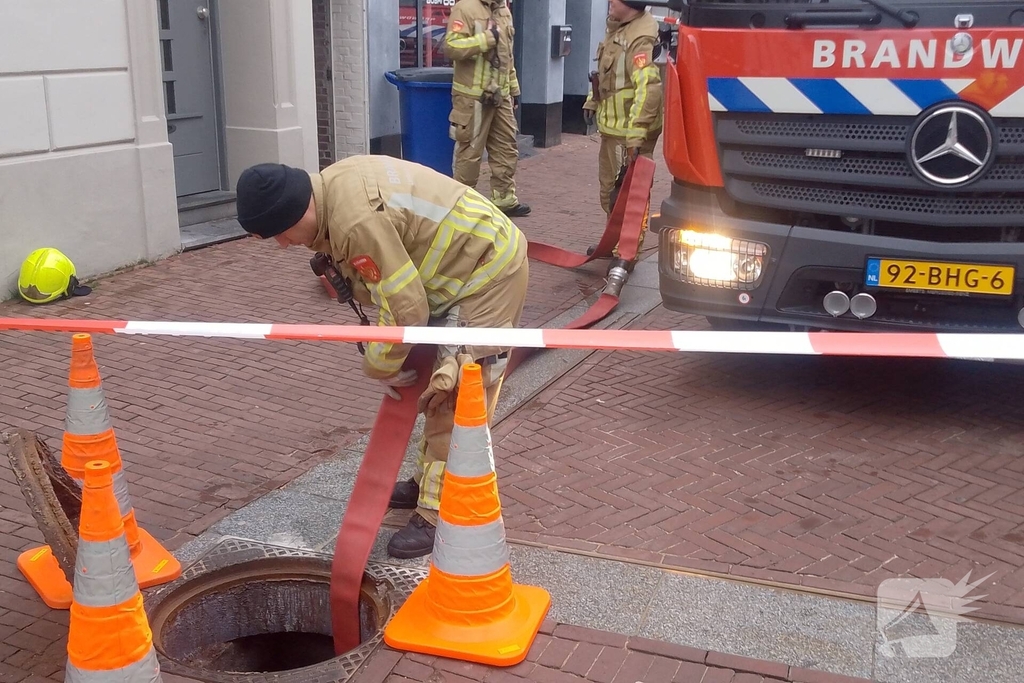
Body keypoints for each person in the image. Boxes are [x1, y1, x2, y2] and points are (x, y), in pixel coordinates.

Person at [234, 155, 529, 558]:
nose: (284, 244)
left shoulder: (354, 222)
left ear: (297, 209)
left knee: (455, 393)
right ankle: (428, 480)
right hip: (458, 271)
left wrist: (379, 365)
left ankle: (438, 509)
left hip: (486, 274)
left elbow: (407, 309)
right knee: (437, 391)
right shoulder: (332, 190)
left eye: (282, 233)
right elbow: (391, 285)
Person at [583, 0, 663, 259]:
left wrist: (637, 134)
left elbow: (648, 88)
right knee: (609, 192)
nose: (609, 3)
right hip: (612, 130)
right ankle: (612, 240)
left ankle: (626, 252)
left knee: (629, 196)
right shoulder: (618, 29)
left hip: (629, 132)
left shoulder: (641, 37)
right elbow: (606, 74)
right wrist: (593, 99)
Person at [444, 0, 531, 218]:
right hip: (472, 97)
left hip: (500, 95)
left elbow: (507, 57)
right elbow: (451, 47)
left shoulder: (503, 10)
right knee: (470, 151)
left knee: (506, 147)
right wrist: (485, 40)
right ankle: (461, 203)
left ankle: (504, 200)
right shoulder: (465, 8)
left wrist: (513, 89)